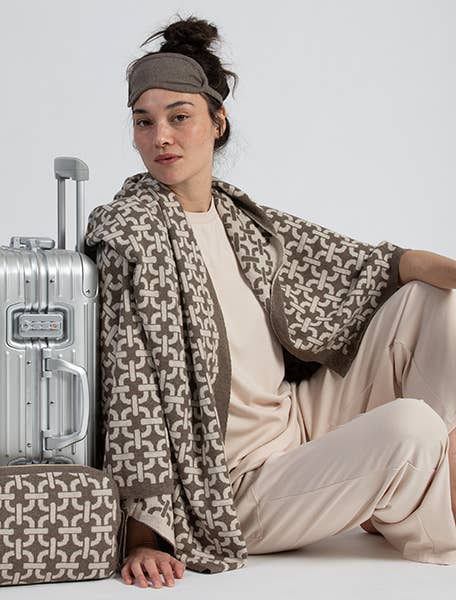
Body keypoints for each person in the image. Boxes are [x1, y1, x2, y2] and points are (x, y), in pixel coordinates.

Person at [84, 13, 456, 589]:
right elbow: (129, 386)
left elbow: (381, 263)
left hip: (300, 423)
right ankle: (422, 502)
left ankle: (415, 485)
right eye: (143, 121)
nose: (160, 137)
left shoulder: (242, 220)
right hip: (235, 485)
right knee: (413, 426)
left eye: (179, 117)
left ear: (217, 122)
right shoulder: (134, 234)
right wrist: (144, 535)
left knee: (434, 303)